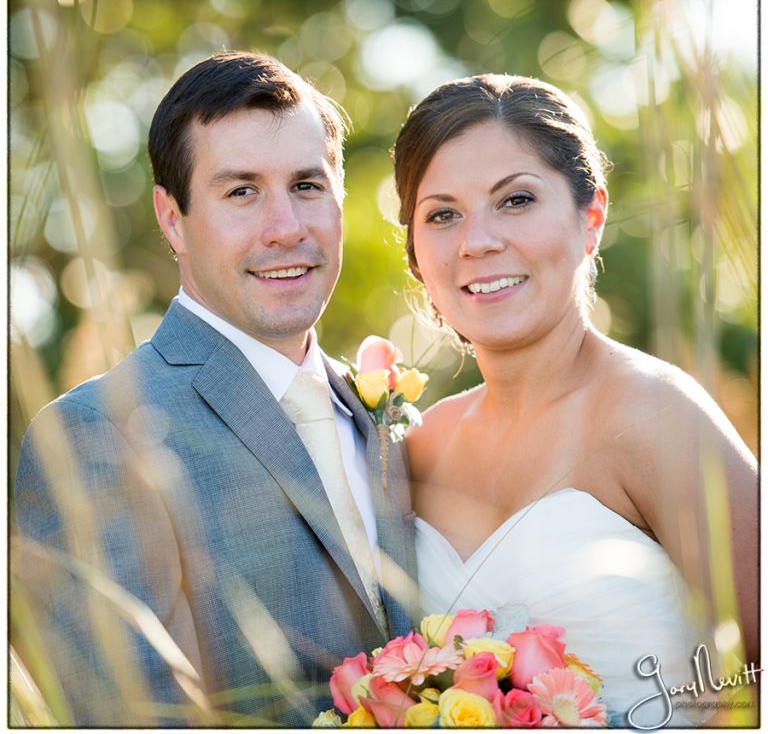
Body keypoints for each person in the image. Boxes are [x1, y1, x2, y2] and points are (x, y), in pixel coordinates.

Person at [13, 51, 418, 727]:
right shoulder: (96, 433)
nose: (286, 227)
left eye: (308, 186)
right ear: (172, 220)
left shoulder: (386, 413)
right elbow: (124, 715)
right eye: (241, 192)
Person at [393, 74, 758, 727]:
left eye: (516, 200)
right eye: (443, 213)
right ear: (416, 254)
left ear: (590, 218)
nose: (477, 241)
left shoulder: (656, 415)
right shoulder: (417, 446)